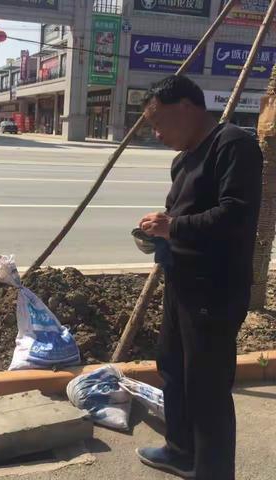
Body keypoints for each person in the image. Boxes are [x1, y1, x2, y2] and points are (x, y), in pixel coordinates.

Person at [135, 75, 262, 480]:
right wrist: (160, 234)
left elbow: (236, 214)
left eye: (159, 123)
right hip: (182, 282)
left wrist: (174, 227)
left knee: (207, 386)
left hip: (215, 288)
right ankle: (180, 451)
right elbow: (186, 215)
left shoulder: (234, 146)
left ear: (187, 107)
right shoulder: (184, 157)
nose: (156, 134)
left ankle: (212, 470)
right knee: (173, 368)